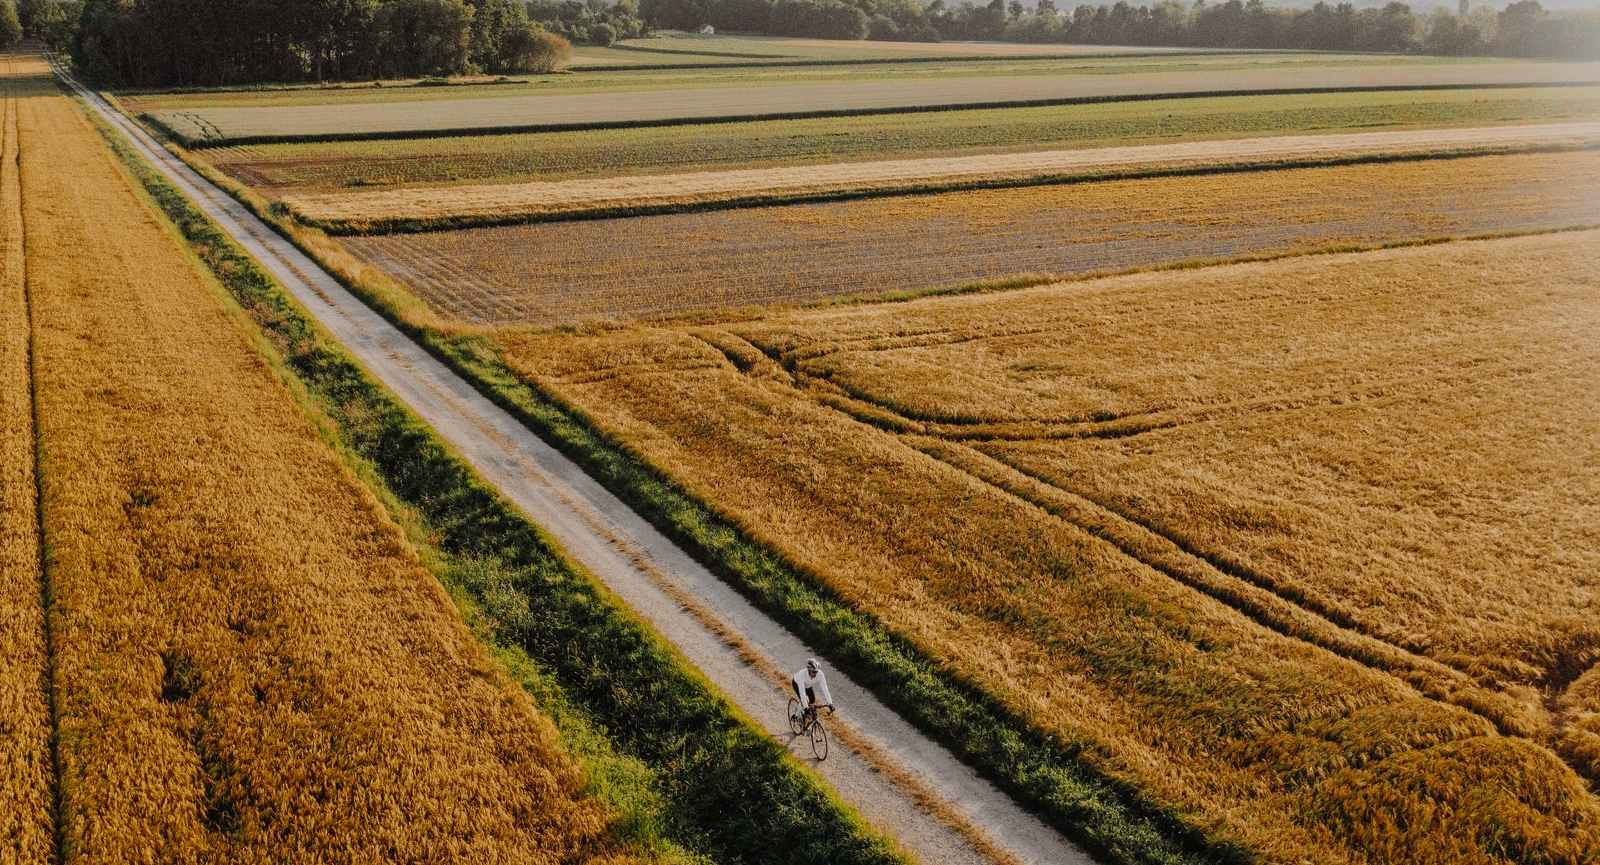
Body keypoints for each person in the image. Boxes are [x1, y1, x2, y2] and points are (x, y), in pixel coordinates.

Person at [791, 658, 835, 725]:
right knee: (805, 699)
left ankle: (806, 719)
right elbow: (802, 693)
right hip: (797, 684)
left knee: (812, 701)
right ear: (809, 670)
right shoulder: (802, 675)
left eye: (816, 672)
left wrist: (830, 703)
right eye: (813, 672)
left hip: (808, 685)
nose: (815, 674)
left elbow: (825, 689)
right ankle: (795, 716)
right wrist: (806, 708)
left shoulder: (820, 674)